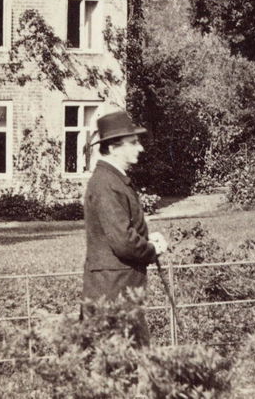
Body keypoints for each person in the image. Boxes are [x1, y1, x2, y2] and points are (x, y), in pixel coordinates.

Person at [82, 109, 168, 343]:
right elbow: (123, 242)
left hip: (119, 286)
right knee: (119, 365)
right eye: (133, 142)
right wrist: (151, 249)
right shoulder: (106, 184)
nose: (140, 148)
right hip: (112, 291)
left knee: (125, 364)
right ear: (112, 148)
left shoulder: (114, 180)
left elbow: (123, 228)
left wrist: (147, 235)